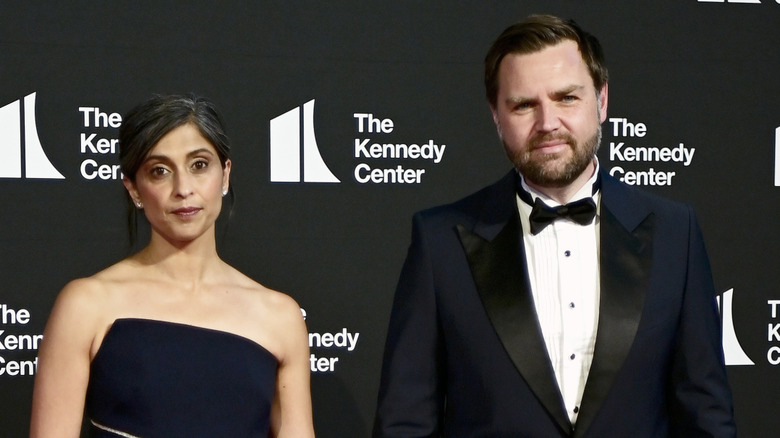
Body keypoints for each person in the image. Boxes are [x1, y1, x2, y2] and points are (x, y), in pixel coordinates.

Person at [373, 14, 736, 438]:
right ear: (495, 115)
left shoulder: (676, 233)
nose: (547, 123)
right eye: (524, 104)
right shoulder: (440, 242)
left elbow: (706, 418)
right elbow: (405, 424)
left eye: (566, 98)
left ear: (601, 100)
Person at [30, 94, 315, 437]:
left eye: (199, 165)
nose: (183, 189)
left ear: (225, 175)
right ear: (134, 189)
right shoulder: (86, 305)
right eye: (160, 171)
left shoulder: (279, 316)